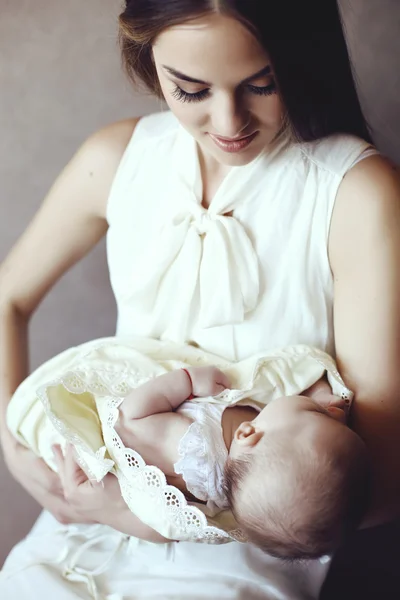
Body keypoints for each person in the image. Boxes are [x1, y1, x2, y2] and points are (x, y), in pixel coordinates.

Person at [0, 0, 399, 598]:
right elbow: (8, 299)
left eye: (262, 84)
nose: (228, 120)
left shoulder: (355, 193)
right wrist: (16, 453)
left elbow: (383, 487)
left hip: (249, 558)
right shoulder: (115, 160)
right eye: (190, 90)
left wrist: (148, 516)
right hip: (76, 522)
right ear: (146, 57)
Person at [6, 334, 369, 559]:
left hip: (109, 447)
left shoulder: (196, 445)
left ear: (248, 434)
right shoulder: (247, 489)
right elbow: (161, 533)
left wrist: (184, 381)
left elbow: (130, 419)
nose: (327, 411)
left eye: (313, 412)